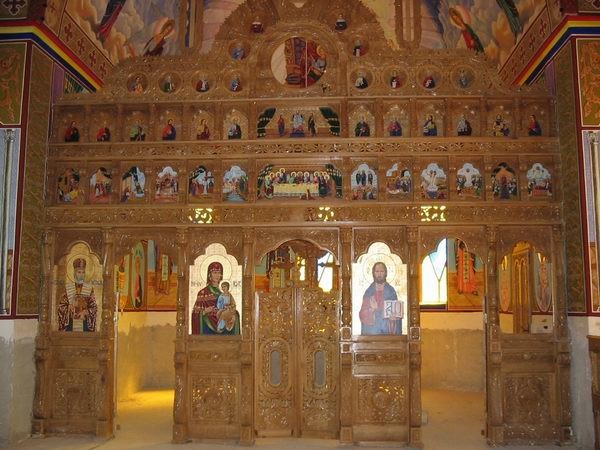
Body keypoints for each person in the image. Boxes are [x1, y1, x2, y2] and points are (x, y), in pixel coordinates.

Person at [192, 261, 239, 334]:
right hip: (209, 322)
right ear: (209, 275)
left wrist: (229, 308)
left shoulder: (225, 292)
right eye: (215, 273)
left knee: (236, 314)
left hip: (224, 317)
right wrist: (204, 311)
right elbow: (195, 313)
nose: (217, 275)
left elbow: (232, 305)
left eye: (219, 273)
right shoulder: (203, 293)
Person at [359, 262, 402, 335]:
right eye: (377, 271)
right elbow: (362, 314)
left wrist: (393, 319)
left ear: (385, 273)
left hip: (387, 332)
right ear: (373, 273)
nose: (379, 274)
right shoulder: (369, 292)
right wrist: (371, 310)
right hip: (372, 333)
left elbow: (396, 313)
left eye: (382, 271)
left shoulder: (391, 291)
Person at [57, 258, 98, 332]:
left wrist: (86, 312)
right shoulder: (67, 288)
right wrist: (69, 308)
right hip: (70, 325)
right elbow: (61, 307)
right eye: (79, 272)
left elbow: (94, 307)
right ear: (74, 273)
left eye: (83, 272)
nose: (81, 275)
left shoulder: (89, 289)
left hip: (85, 325)